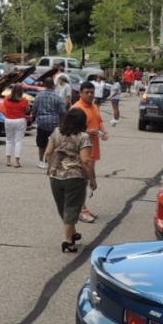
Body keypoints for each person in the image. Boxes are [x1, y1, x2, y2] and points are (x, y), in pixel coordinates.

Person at [44, 107, 95, 253]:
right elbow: (86, 160)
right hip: (74, 177)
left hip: (55, 176)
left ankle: (72, 233)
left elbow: (47, 153)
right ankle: (68, 241)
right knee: (72, 208)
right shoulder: (83, 137)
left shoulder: (56, 132)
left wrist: (53, 165)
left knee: (63, 208)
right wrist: (92, 179)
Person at [76, 81, 108, 223]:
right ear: (80, 93)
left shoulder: (94, 106)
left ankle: (82, 207)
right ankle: (80, 210)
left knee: (87, 179)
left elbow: (99, 121)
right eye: (87, 92)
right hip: (81, 150)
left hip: (93, 148)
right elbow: (72, 129)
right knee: (82, 180)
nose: (90, 95)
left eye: (92, 92)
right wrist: (89, 131)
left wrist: (104, 131)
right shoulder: (77, 108)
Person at [31, 77, 66, 169]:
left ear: (44, 85)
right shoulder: (58, 97)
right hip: (54, 123)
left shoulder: (38, 96)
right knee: (53, 142)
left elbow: (34, 109)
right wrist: (62, 123)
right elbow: (63, 111)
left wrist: (35, 116)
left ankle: (41, 161)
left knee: (41, 143)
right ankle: (49, 161)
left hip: (42, 122)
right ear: (53, 85)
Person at [1, 82, 31, 167]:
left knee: (9, 140)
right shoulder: (24, 100)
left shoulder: (6, 98)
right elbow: (27, 110)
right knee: (18, 141)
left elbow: (5, 109)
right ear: (21, 91)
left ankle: (8, 160)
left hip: (8, 120)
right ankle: (17, 161)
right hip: (20, 120)